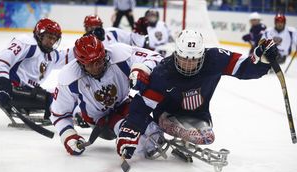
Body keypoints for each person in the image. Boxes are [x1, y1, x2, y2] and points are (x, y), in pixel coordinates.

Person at [116, 29, 278, 159]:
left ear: (202, 55)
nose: (188, 64)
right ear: (176, 54)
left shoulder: (215, 58)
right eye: (184, 58)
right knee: (199, 137)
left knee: (208, 137)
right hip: (167, 114)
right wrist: (130, 130)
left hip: (199, 113)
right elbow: (143, 104)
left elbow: (246, 68)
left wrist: (263, 58)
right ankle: (159, 130)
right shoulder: (164, 71)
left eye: (193, 59)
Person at [50, 34, 163, 155]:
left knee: (153, 131)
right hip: (100, 120)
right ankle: (79, 112)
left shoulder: (119, 54)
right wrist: (68, 135)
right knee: (135, 140)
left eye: (99, 60)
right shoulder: (69, 79)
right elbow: (59, 114)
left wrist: (142, 68)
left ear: (104, 54)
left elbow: (157, 58)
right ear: (80, 64)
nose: (96, 67)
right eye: (90, 64)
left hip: (124, 103)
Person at [0, 18, 73, 123]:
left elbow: (69, 56)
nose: (51, 41)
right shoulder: (27, 43)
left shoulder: (51, 55)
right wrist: (3, 86)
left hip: (30, 92)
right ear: (40, 35)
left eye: (54, 39)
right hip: (13, 91)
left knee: (63, 94)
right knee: (52, 100)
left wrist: (90, 43)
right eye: (49, 37)